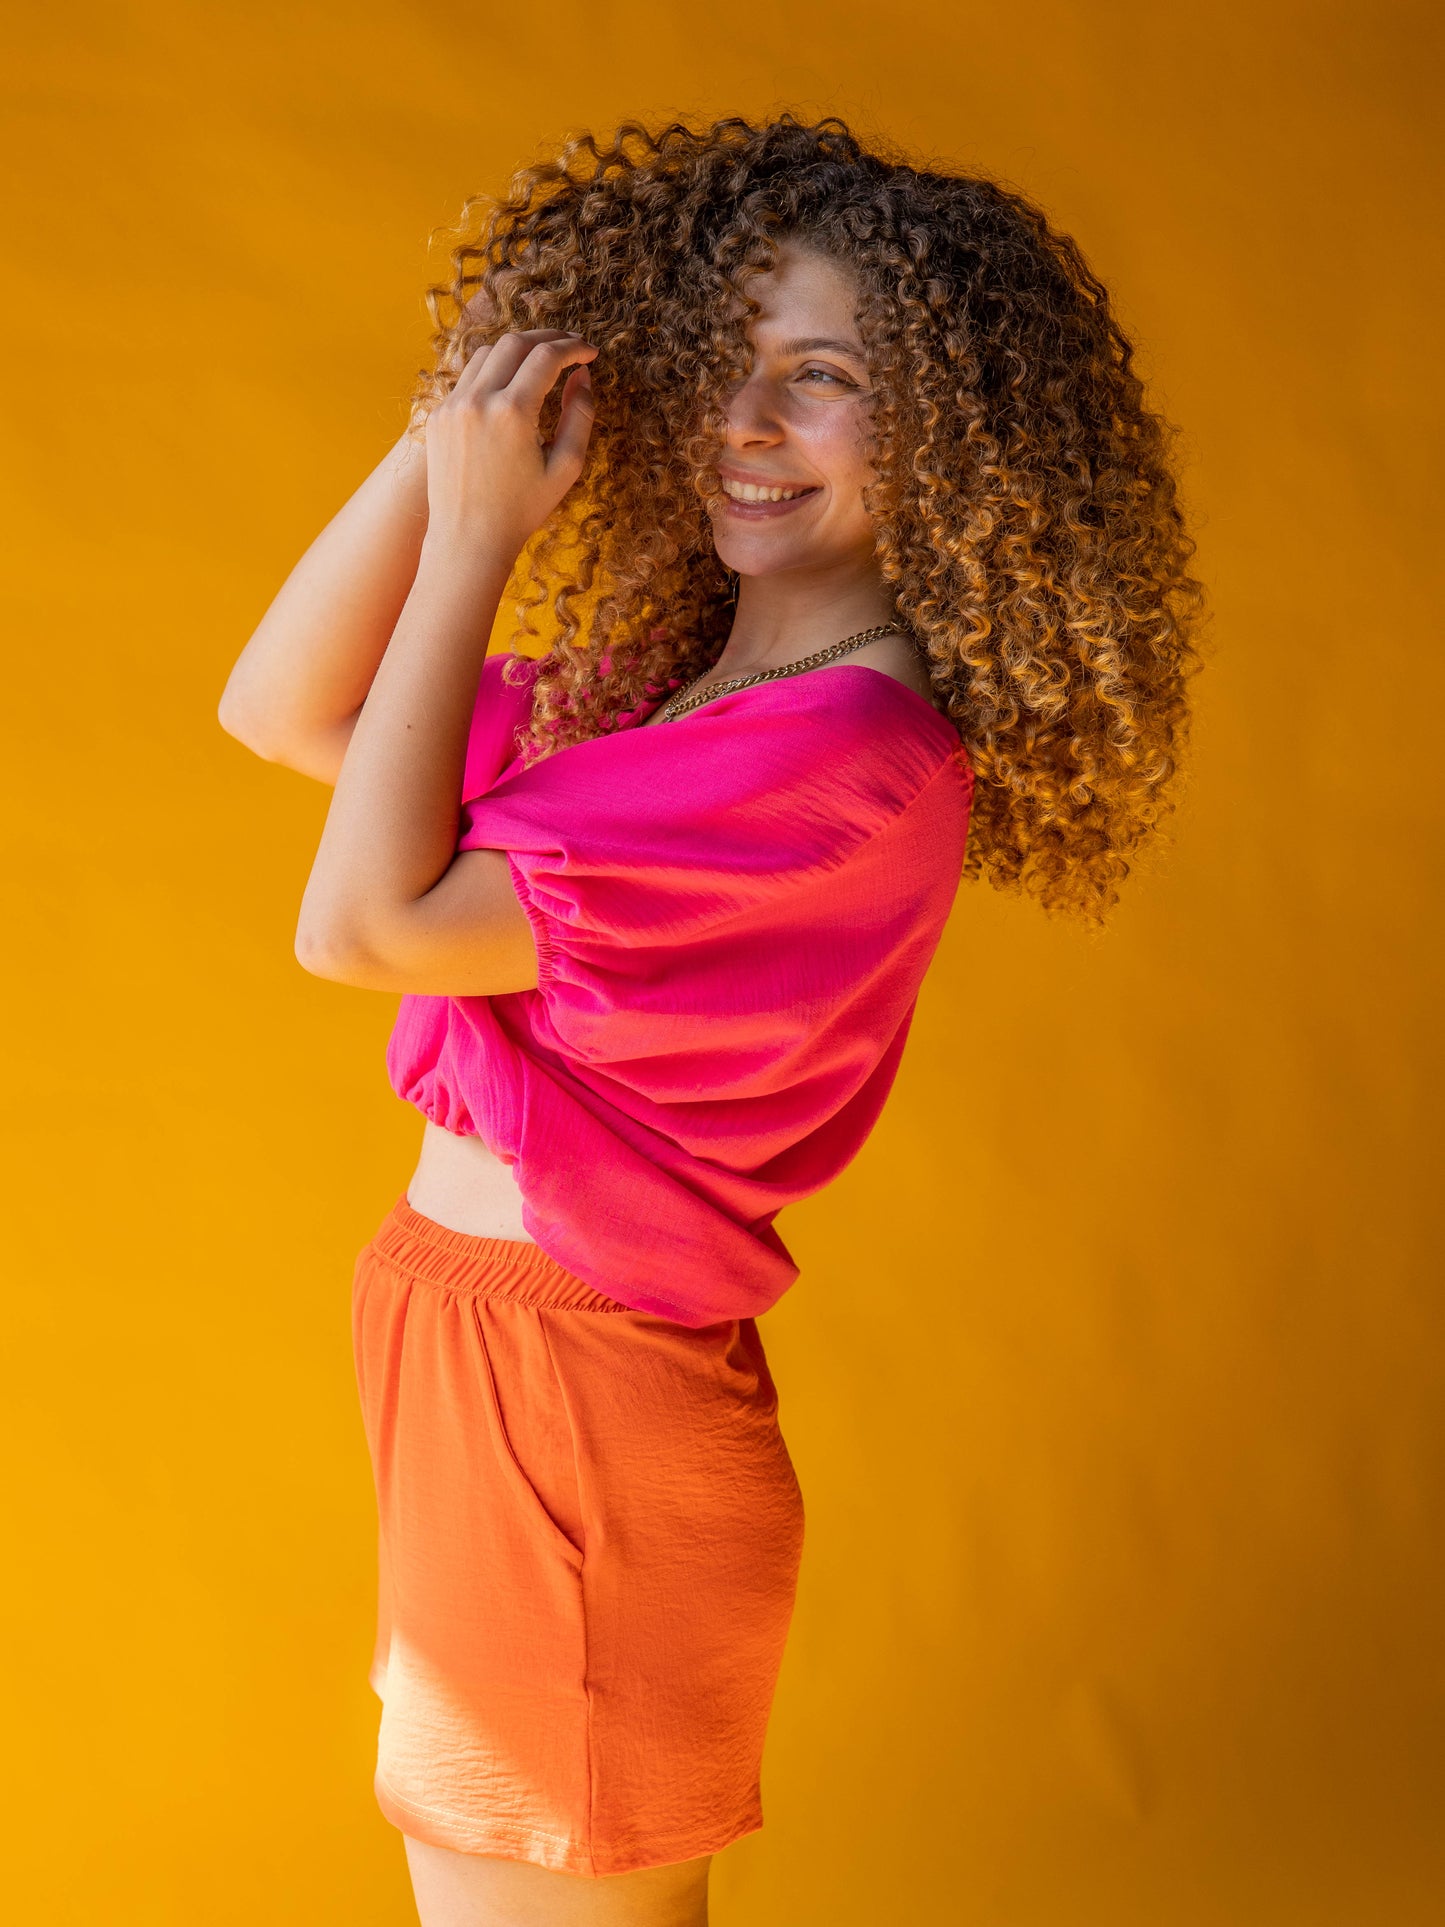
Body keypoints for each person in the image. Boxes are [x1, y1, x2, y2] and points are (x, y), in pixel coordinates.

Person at [219, 114, 1203, 1927]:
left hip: (572, 1406)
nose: (745, 423)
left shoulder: (840, 752)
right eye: (723, 367)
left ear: (957, 433)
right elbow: (284, 709)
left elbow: (364, 925)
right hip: (483, 1358)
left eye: (820, 377)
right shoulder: (676, 695)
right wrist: (455, 441)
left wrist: (477, 549)